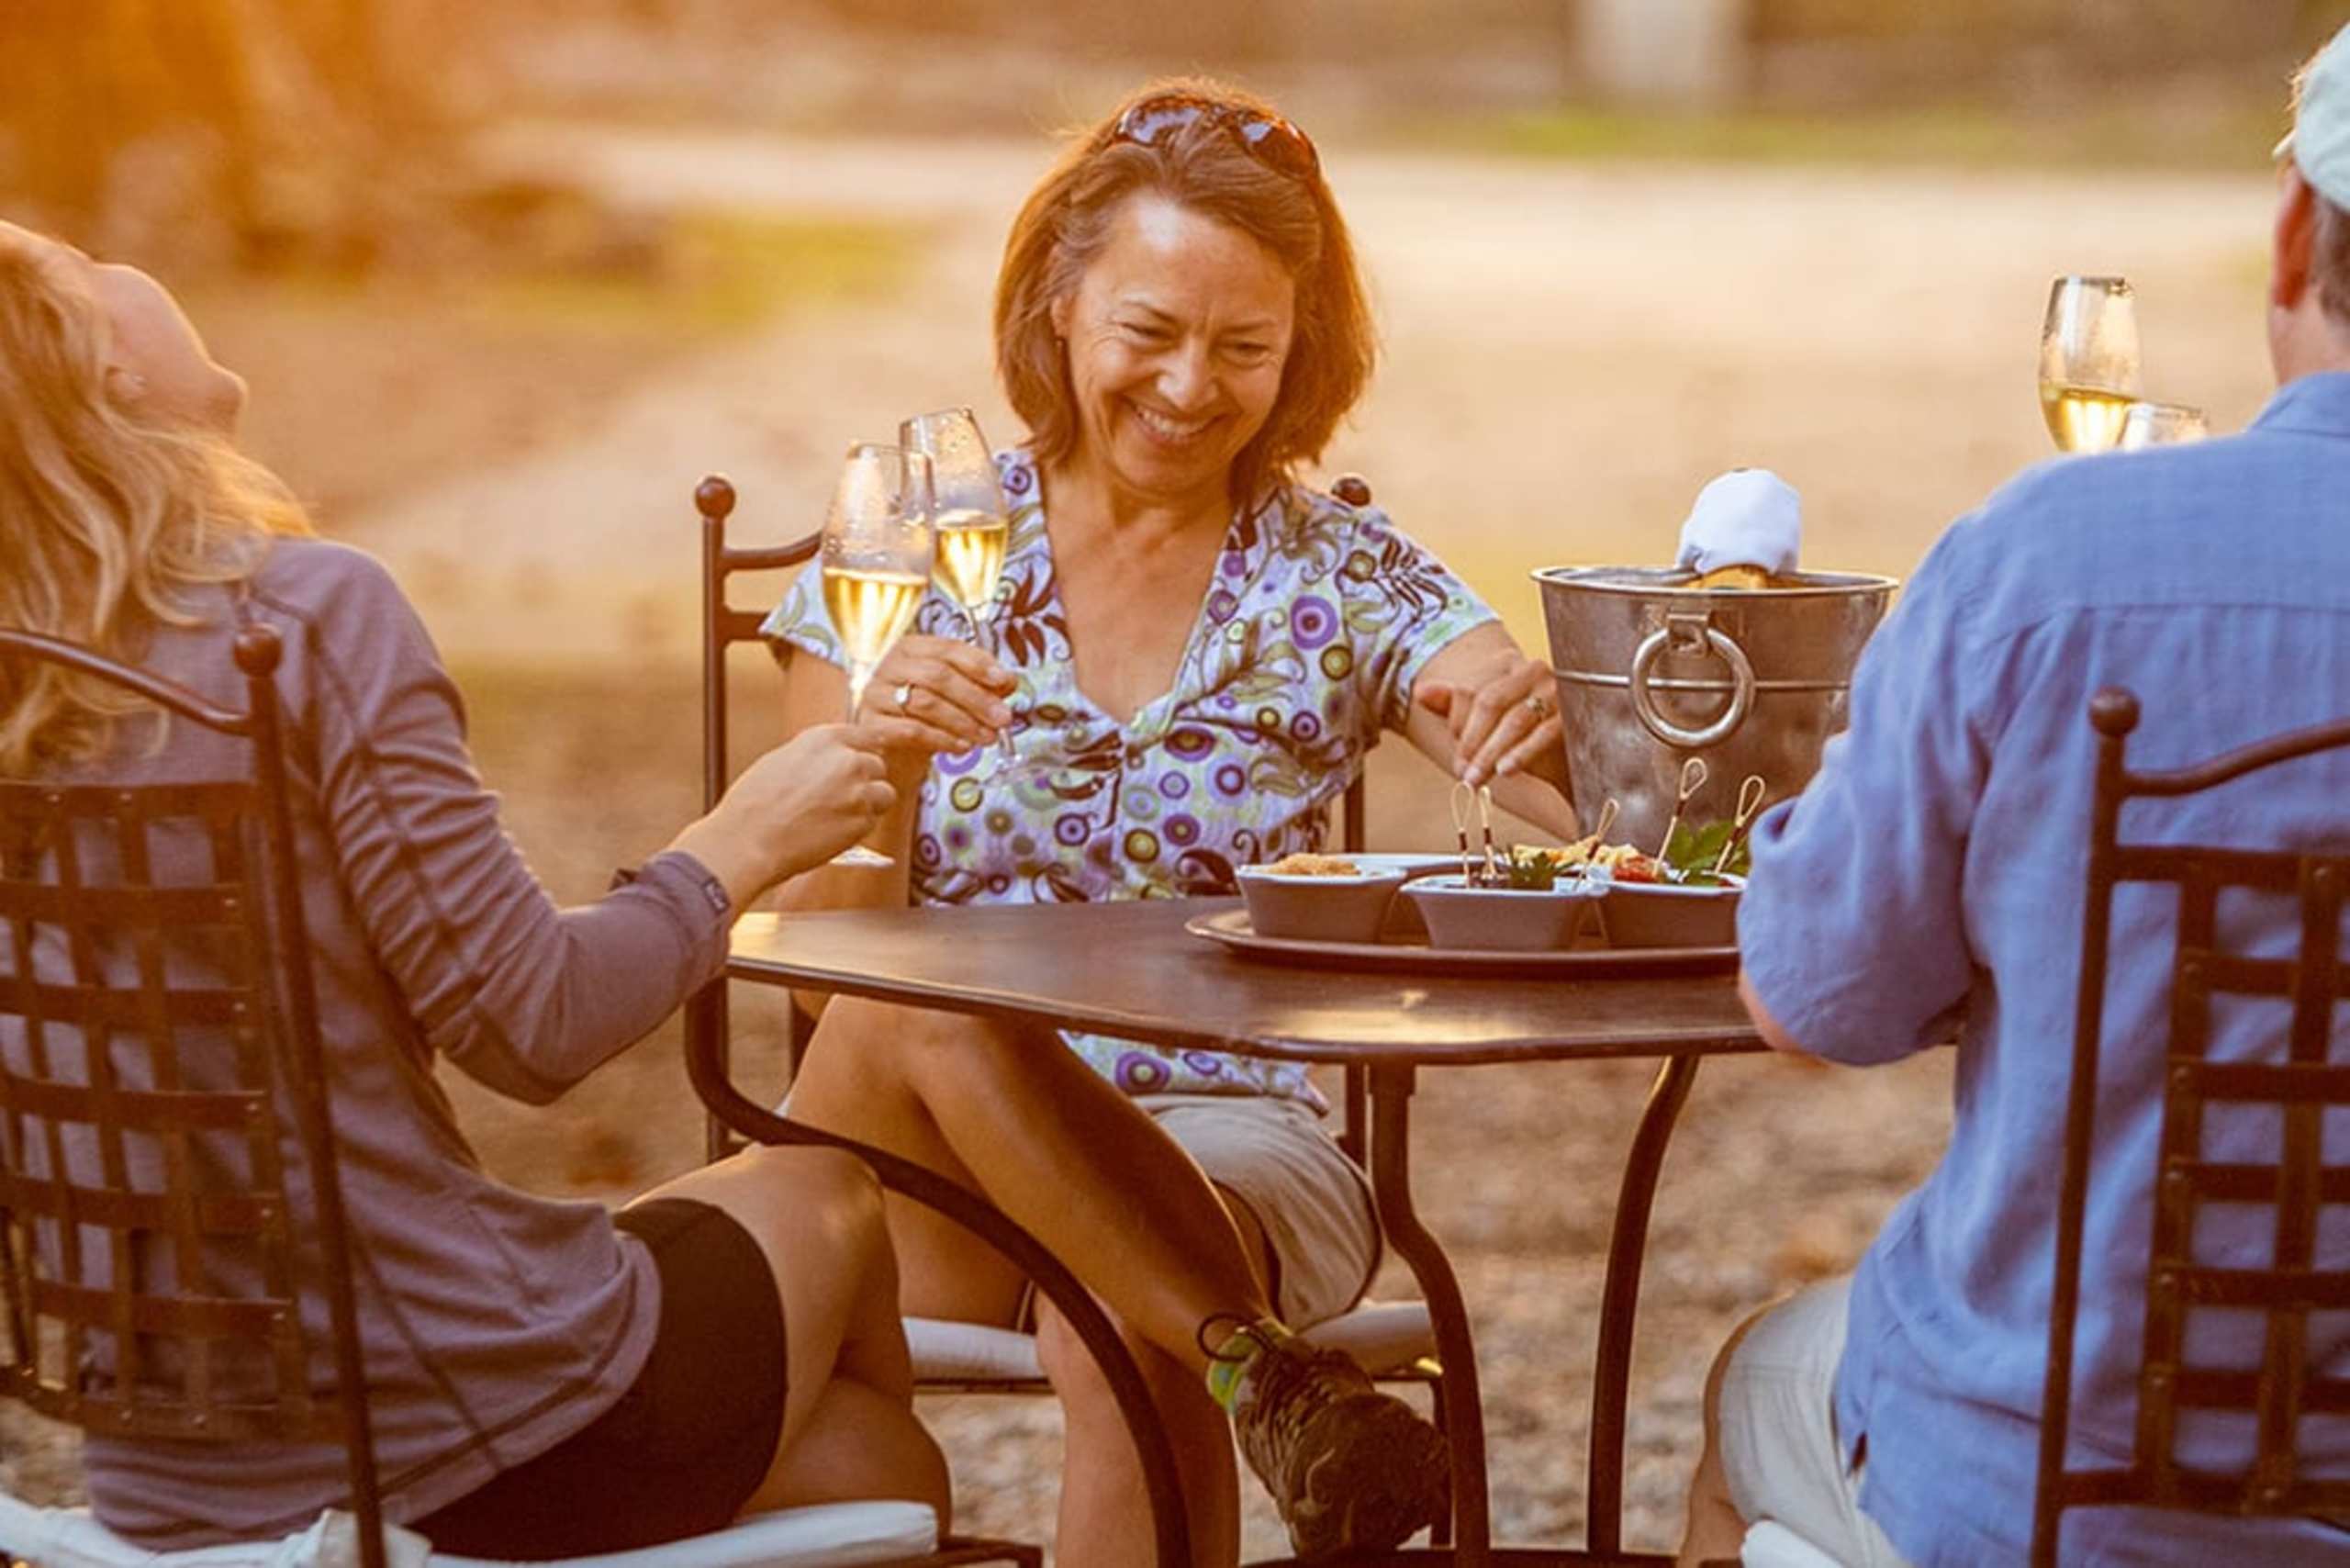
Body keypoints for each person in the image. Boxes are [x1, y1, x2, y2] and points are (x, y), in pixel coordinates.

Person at [0, 218, 945, 1555]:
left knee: (871, 1460)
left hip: (162, 1476)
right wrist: (734, 845)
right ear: (100, 382)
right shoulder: (302, 622)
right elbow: (531, 1028)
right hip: (444, 1434)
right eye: (75, 278)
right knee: (825, 1194)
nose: (106, 264)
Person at [761, 78, 1577, 1564]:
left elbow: (1574, 785)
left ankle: (1218, 1347)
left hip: (1232, 1134)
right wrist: (871, 776)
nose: (1192, 386)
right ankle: (1261, 1371)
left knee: (1120, 1319)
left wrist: (1553, 722)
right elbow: (816, 956)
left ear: (1299, 355)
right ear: (1060, 308)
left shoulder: (1339, 575)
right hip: (916, 1157)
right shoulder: (913, 543)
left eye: (1245, 348)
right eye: (1150, 331)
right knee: (914, 992)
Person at [1675, 31, 2350, 1568]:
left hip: (2060, 1481)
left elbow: (1814, 999)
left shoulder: (2050, 568)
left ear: (2295, 236)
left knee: (1748, 1391)